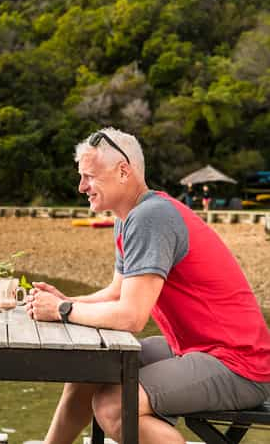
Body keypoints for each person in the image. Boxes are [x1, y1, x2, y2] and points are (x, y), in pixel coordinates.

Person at [25, 127, 270, 444]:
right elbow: (116, 292)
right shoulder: (128, 217)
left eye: (90, 176)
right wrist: (67, 300)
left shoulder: (151, 217)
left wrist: (63, 310)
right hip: (197, 349)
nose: (81, 186)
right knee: (89, 367)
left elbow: (131, 317)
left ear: (123, 171)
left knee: (113, 406)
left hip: (239, 366)